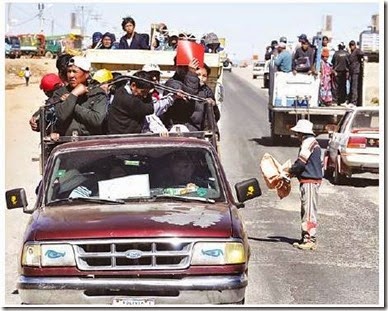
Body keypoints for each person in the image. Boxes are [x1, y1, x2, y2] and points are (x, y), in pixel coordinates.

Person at [284, 119, 322, 251]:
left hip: (310, 181)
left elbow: (301, 164)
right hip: (310, 180)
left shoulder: (307, 143)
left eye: (297, 133)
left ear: (302, 133)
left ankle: (309, 239)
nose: (297, 136)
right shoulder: (313, 143)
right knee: (307, 209)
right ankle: (306, 237)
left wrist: (289, 171)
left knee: (309, 211)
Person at [53, 56, 108, 136]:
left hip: (88, 143)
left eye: (75, 72)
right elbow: (61, 116)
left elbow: (97, 120)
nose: (71, 75)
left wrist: (73, 104)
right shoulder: (60, 92)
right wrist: (74, 94)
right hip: (66, 142)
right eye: (69, 71)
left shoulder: (97, 93)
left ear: (86, 74)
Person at [161, 57, 203, 132]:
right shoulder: (172, 83)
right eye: (181, 66)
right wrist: (192, 73)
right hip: (178, 131)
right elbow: (190, 95)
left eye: (186, 66)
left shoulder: (200, 86)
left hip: (197, 132)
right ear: (175, 66)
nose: (184, 69)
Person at [196, 64, 221, 135]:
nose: (201, 78)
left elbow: (216, 116)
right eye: (198, 74)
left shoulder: (208, 91)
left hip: (204, 132)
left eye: (204, 76)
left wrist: (213, 105)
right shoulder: (186, 89)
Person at [348, 40, 364, 106]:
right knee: (352, 87)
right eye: (351, 45)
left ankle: (354, 102)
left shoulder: (357, 51)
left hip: (356, 71)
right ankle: (351, 100)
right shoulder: (351, 52)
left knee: (354, 87)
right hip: (352, 71)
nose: (352, 46)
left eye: (353, 45)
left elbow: (362, 53)